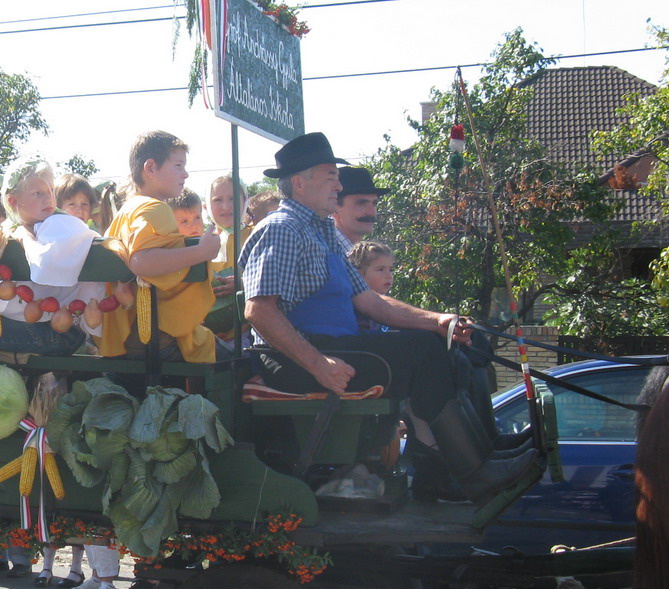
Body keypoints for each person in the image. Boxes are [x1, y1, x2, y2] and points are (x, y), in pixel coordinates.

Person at [238, 131, 536, 505]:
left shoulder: (323, 231)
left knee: (441, 343)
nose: (338, 183)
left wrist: (438, 320)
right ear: (299, 182)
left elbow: (369, 300)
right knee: (427, 353)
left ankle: (486, 454)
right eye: (330, 175)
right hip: (298, 359)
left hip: (335, 348)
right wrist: (319, 364)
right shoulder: (281, 230)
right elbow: (259, 311)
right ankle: (475, 475)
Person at [0, 161, 105, 355]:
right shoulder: (10, 228)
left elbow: (46, 267)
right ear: (12, 202)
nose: (48, 199)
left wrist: (25, 238)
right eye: (38, 193)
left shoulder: (60, 223)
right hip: (36, 324)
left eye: (50, 190)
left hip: (62, 331)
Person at [97, 131, 220, 364]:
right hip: (157, 340)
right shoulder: (156, 209)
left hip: (128, 338)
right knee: (236, 361)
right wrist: (202, 252)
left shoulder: (128, 209)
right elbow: (141, 262)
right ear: (151, 168)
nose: (185, 173)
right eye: (178, 165)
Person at [204, 175, 253, 339]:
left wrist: (245, 283)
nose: (226, 206)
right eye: (217, 200)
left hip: (250, 333)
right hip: (207, 336)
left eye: (232, 198)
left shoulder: (257, 236)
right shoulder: (201, 242)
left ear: (245, 200)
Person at [332, 166, 388, 251]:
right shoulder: (321, 252)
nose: (372, 212)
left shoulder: (363, 256)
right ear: (334, 207)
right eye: (361, 203)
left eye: (374, 203)